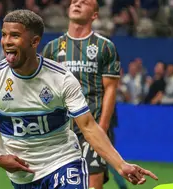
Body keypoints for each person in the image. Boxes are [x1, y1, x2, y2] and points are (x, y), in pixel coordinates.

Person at [0, 9, 157, 189]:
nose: (6, 42)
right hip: (23, 174)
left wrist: (120, 164)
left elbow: (88, 126)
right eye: (4, 35)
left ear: (34, 42)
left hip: (63, 161)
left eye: (15, 36)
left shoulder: (61, 78)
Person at [42, 1, 126, 188]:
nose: (77, 3)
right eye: (73, 1)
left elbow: (111, 89)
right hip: (62, 130)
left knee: (93, 183)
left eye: (84, 2)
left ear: (94, 15)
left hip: (93, 124)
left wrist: (102, 128)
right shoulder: (52, 48)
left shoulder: (105, 47)